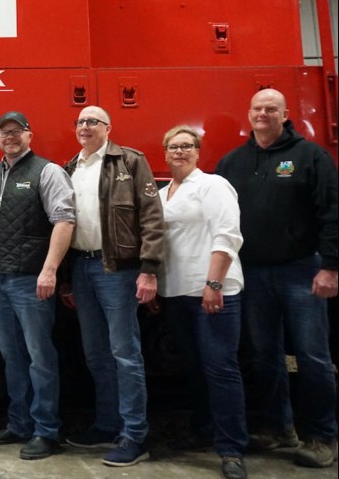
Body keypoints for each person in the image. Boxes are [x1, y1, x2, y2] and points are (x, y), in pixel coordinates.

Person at [216, 88, 338, 468]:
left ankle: (322, 436)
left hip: (302, 270)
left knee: (313, 357)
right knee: (264, 356)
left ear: (285, 115)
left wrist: (331, 267)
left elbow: (333, 212)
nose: (263, 114)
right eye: (257, 108)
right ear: (248, 113)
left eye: (272, 109)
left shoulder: (311, 157)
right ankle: (278, 429)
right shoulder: (232, 162)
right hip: (252, 273)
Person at [62, 105, 164, 467]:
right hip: (82, 269)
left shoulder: (131, 163)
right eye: (80, 122)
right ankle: (108, 424)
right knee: (97, 355)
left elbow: (152, 217)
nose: (85, 127)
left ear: (108, 127)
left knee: (125, 354)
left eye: (93, 121)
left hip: (118, 270)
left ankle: (135, 435)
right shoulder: (70, 168)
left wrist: (149, 269)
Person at [0, 112, 76, 461]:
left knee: (39, 357)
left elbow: (64, 220)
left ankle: (47, 430)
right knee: (12, 357)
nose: (10, 137)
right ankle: (19, 423)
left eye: (16, 132)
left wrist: (50, 271)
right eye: (4, 133)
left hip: (31, 282)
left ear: (29, 135)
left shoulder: (47, 172)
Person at [158, 125, 249, 479]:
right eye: (173, 146)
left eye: (187, 146)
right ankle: (202, 432)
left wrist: (214, 282)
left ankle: (231, 449)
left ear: (198, 151)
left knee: (221, 369)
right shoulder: (164, 192)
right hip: (177, 293)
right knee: (196, 369)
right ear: (164, 153)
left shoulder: (213, 185)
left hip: (212, 293)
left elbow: (228, 235)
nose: (179, 152)